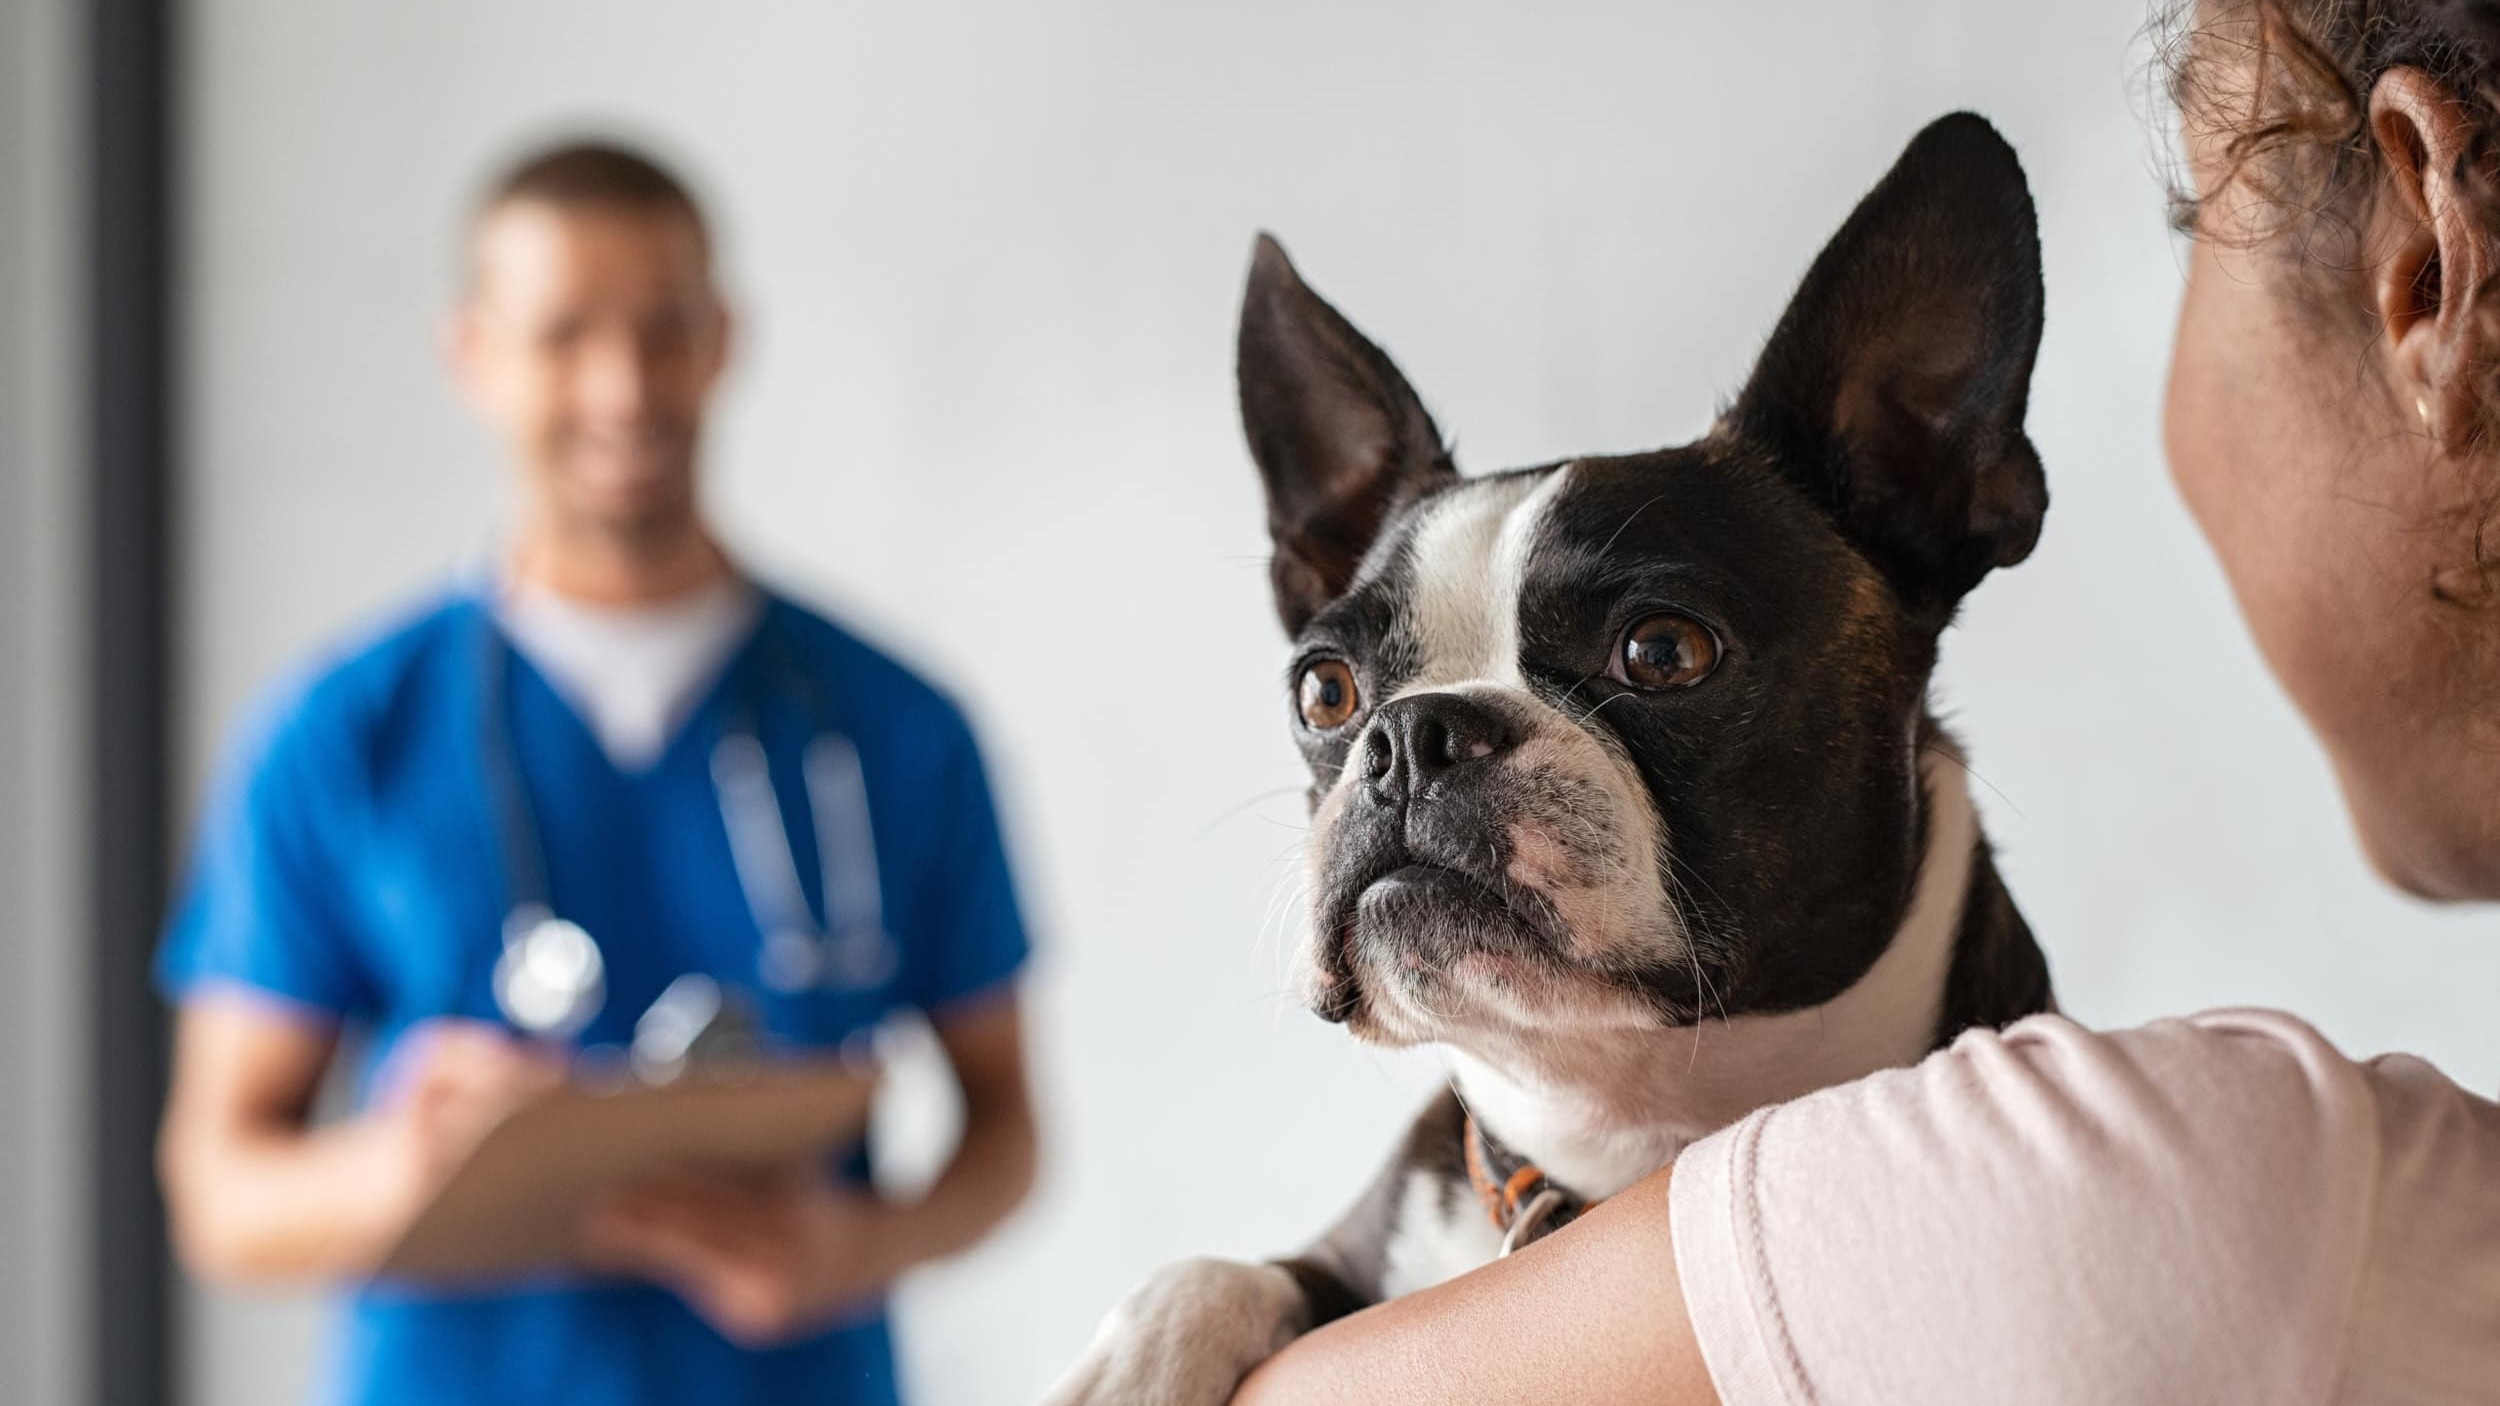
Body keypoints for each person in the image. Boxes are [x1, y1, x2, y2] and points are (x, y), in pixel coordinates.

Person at [1233, 2, 2500, 1402]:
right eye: (1341, 690)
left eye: (1660, 655)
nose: (1403, 751)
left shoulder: (2136, 1196)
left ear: (2428, 270)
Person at [154, 141, 1039, 1406]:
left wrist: (862, 1243)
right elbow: (218, 1192)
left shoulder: (896, 727)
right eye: (564, 334)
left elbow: (1007, 1127)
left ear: (724, 339)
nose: (623, 390)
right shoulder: (342, 736)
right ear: (473, 354)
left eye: (664, 330)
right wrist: (401, 1166)